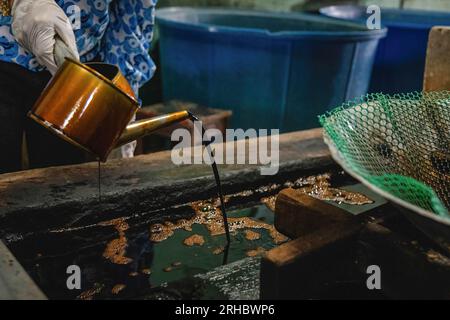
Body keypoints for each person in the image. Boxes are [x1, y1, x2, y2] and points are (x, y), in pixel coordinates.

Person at [0, 0, 157, 173]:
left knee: (61, 179)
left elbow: (133, 11)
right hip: (5, 52)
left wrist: (121, 98)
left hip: (77, 72)